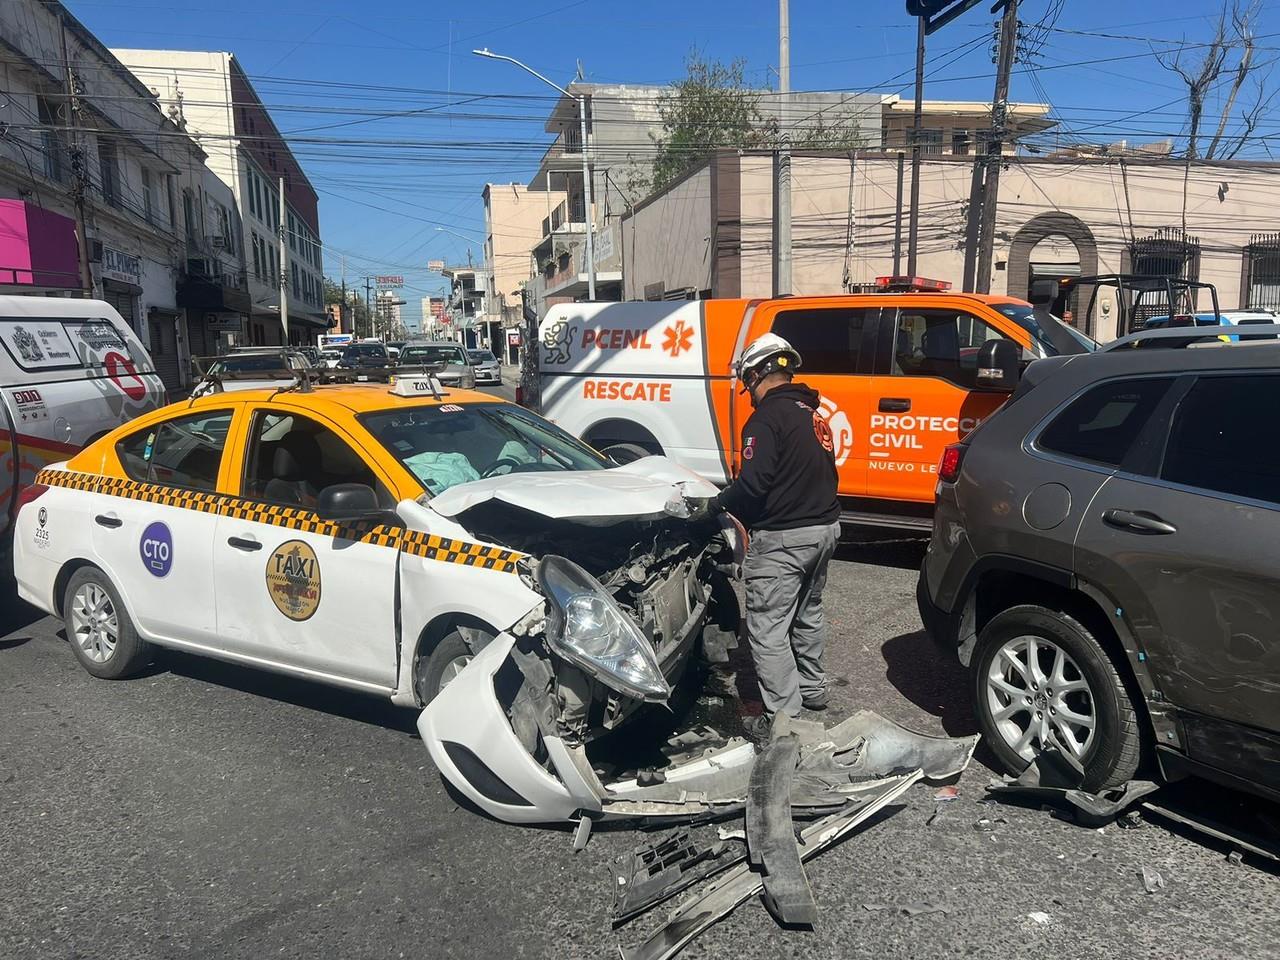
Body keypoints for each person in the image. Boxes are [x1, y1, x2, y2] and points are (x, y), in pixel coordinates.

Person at [704, 333, 841, 739]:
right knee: (807, 612)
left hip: (785, 538)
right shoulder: (810, 413)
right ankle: (812, 689)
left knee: (767, 629)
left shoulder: (765, 419)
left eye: (748, 380)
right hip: (824, 530)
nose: (748, 390)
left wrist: (715, 506)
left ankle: (785, 721)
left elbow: (752, 486)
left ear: (759, 373)